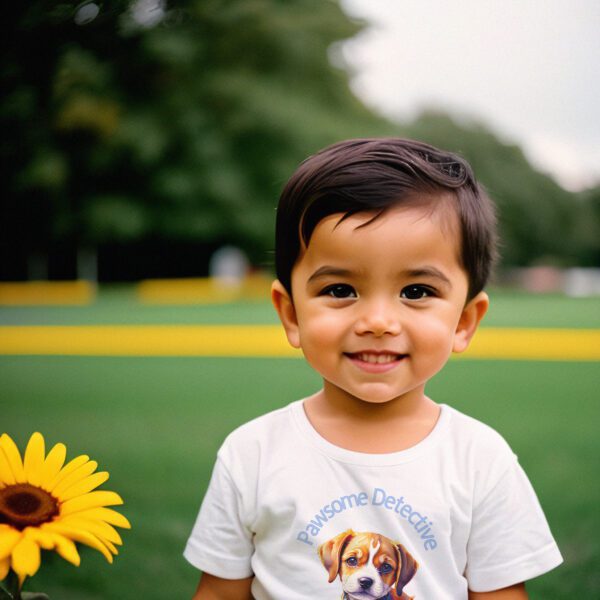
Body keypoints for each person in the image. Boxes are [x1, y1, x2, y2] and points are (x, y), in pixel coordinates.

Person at [184, 138, 562, 599]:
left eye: (417, 291)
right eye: (341, 289)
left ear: (464, 321)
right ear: (291, 314)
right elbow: (220, 594)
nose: (378, 322)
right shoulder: (252, 454)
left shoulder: (481, 461)